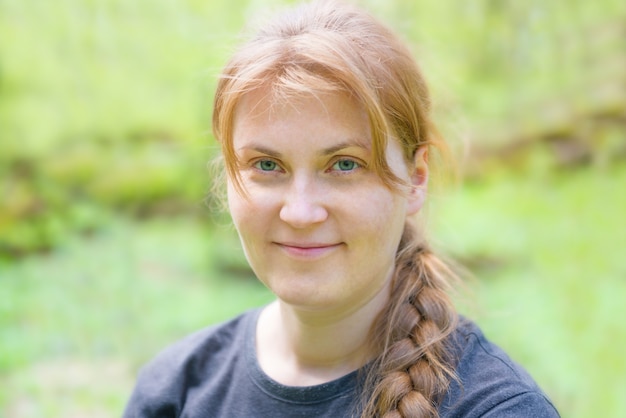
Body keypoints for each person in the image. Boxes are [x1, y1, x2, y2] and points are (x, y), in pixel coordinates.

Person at [123, 1, 559, 417]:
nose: (300, 212)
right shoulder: (173, 393)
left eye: (345, 164)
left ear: (416, 178)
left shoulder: (496, 409)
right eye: (267, 165)